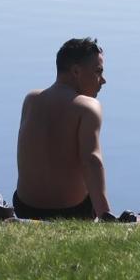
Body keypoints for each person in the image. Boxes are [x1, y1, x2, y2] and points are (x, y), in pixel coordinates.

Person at [13, 37, 112, 220]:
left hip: (24, 208)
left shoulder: (31, 100)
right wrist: (105, 215)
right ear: (76, 71)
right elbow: (91, 160)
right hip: (71, 211)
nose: (103, 80)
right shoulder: (89, 107)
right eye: (98, 71)